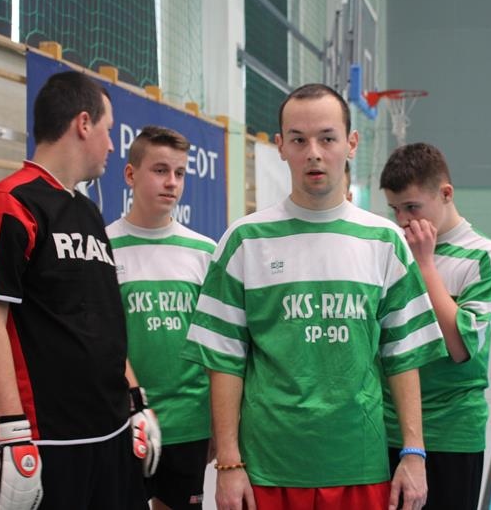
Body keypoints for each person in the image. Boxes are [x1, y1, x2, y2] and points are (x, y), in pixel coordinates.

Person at [182, 83, 446, 510]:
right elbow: (224, 360)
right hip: (268, 468)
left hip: (359, 464)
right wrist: (228, 463)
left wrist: (414, 453)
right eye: (299, 140)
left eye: (327, 138)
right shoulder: (244, 240)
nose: (314, 153)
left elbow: (403, 356)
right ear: (281, 146)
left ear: (351, 143)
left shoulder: (385, 241)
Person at [0, 71, 156, 510]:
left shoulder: (88, 211)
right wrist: (13, 431)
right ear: (83, 123)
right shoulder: (8, 205)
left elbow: (102, 322)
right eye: (108, 130)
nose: (111, 146)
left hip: (110, 430)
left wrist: (135, 401)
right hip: (45, 440)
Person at [379, 142, 491, 510]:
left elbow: (460, 347)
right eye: (395, 209)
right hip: (389, 427)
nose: (403, 220)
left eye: (412, 207)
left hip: (451, 432)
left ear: (446, 194)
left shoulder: (483, 255)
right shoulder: (391, 250)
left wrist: (424, 265)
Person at [107, 125, 216, 509]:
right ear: (130, 174)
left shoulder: (204, 252)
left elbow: (216, 348)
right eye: (160, 170)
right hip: (124, 422)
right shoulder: (103, 248)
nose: (172, 182)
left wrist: (219, 424)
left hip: (189, 423)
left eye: (180, 173)